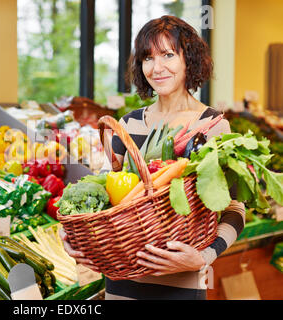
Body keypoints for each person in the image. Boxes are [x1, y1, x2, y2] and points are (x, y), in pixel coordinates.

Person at [60, 15, 246, 300]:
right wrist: (73, 233)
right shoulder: (129, 124)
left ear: (190, 60)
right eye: (148, 58)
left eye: (168, 55)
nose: (157, 68)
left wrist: (204, 257)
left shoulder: (212, 126)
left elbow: (234, 208)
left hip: (180, 284)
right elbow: (107, 202)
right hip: (121, 282)